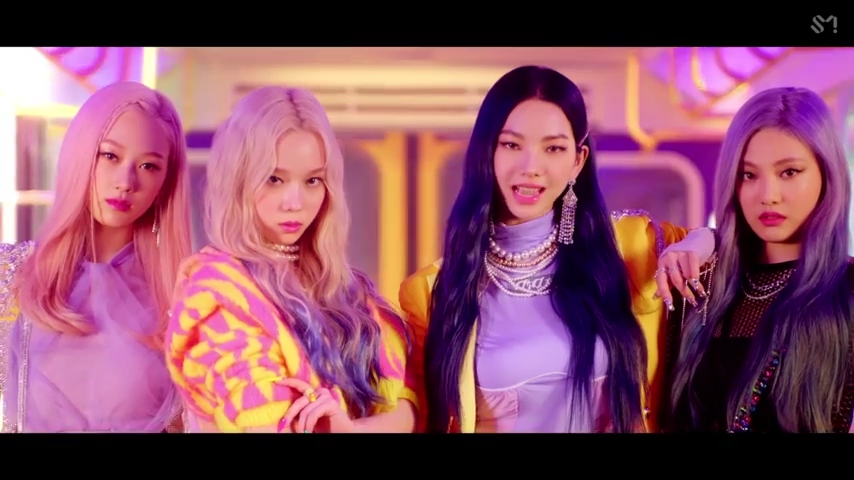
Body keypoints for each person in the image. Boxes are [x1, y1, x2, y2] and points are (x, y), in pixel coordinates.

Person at [398, 65, 716, 434]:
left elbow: (726, 242)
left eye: (553, 148)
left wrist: (696, 242)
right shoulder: (431, 292)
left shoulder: (629, 249)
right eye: (512, 145)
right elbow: (417, 414)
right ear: (487, 152)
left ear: (577, 161)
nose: (531, 167)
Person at [165, 86, 418, 433]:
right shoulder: (217, 294)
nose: (295, 202)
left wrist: (349, 429)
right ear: (238, 178)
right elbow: (265, 422)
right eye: (274, 179)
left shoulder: (353, 294)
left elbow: (410, 409)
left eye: (313, 180)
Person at [0, 82, 192, 433]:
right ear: (82, 154)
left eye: (149, 166)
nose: (126, 181)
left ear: (165, 181)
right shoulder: (10, 276)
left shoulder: (180, 300)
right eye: (110, 156)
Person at [665, 87, 854, 433]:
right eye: (748, 175)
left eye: (789, 172)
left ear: (827, 174)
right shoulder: (702, 284)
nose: (768, 196)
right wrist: (706, 238)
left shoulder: (847, 290)